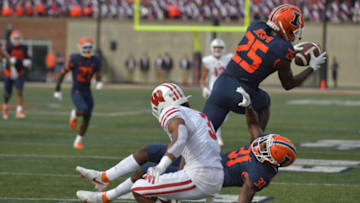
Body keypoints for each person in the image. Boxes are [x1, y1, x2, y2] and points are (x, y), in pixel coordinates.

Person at [74, 86, 297, 203]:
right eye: (265, 142)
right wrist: (248, 106)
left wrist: (170, 171)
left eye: (265, 148)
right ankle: (103, 185)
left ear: (270, 160)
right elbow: (253, 125)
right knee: (148, 152)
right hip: (202, 159)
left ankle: (105, 195)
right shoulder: (261, 150)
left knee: (142, 178)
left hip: (205, 172)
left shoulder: (260, 173)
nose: (260, 144)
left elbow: (245, 196)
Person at [76, 82, 225, 203]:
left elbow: (180, 139)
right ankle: (104, 190)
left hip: (200, 177)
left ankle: (105, 191)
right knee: (150, 167)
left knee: (140, 188)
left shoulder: (171, 111)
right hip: (212, 175)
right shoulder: (198, 115)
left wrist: (161, 167)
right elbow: (188, 151)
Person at [203, 4, 327, 133]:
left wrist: (292, 50)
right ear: (286, 28)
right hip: (242, 93)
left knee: (202, 134)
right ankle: (256, 145)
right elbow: (288, 84)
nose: (294, 35)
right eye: (293, 31)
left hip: (220, 85)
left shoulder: (255, 26)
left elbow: (265, 44)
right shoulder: (284, 50)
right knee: (264, 102)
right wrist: (312, 68)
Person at [54, 37, 103, 150]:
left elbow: (98, 72)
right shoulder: (75, 59)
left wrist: (99, 81)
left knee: (87, 116)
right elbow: (63, 73)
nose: (87, 50)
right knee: (83, 110)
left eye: (89, 47)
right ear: (80, 48)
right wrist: (57, 89)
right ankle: (74, 114)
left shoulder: (96, 60)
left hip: (87, 91)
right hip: (77, 90)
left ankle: (78, 141)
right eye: (85, 47)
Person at [200, 38, 233, 147]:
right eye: (215, 47)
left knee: (224, 116)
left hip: (226, 88)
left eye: (220, 47)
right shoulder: (207, 60)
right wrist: (204, 88)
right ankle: (216, 137)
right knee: (214, 114)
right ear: (212, 48)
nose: (218, 50)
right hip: (214, 89)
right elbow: (203, 78)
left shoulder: (228, 58)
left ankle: (215, 134)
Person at [2, 30, 31, 120]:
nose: (17, 40)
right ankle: (5, 106)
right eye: (15, 38)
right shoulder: (8, 46)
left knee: (19, 91)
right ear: (11, 39)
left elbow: (27, 58)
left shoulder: (24, 47)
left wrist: (27, 62)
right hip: (8, 72)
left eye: (18, 38)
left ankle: (19, 111)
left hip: (19, 72)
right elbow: (3, 58)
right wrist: (8, 61)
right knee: (7, 93)